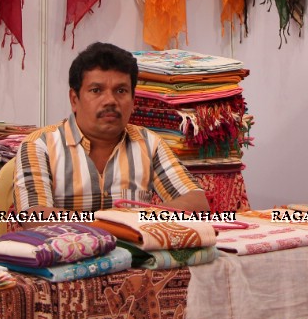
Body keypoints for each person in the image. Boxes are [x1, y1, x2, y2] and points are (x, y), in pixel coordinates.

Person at [14, 42, 210, 213]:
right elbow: (35, 216)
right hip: (64, 253)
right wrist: (110, 225)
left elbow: (197, 204)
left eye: (121, 91)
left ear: (133, 100)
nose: (110, 100)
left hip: (134, 253)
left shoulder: (149, 143)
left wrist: (139, 222)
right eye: (96, 90)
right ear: (74, 99)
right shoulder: (40, 145)